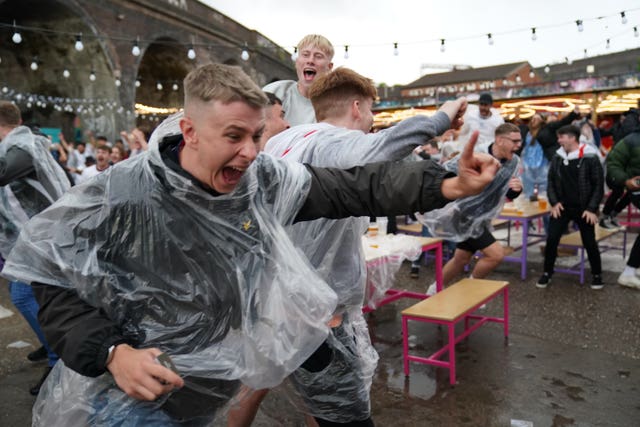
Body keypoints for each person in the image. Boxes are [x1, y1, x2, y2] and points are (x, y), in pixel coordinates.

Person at [2, 63, 499, 426]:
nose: (250, 152)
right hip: (130, 394)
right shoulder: (118, 194)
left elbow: (349, 186)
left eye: (258, 135)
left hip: (206, 386)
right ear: (190, 131)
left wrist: (441, 185)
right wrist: (111, 352)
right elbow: (50, 275)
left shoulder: (259, 179)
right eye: (234, 135)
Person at [258, 67, 469, 426]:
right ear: (356, 107)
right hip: (320, 315)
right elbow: (381, 147)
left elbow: (382, 174)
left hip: (290, 305)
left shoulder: (286, 141)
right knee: (347, 418)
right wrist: (442, 116)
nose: (371, 120)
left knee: (321, 405)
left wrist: (448, 172)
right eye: (370, 111)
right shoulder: (332, 142)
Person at [0, 101, 70, 395]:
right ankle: (52, 342)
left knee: (23, 294)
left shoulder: (22, 147)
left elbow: (2, 172)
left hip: (42, 239)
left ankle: (59, 359)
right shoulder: (22, 144)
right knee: (36, 296)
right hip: (36, 238)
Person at [423, 123, 523, 294]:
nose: (518, 145)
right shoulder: (477, 154)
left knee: (461, 258)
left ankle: (434, 289)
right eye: (514, 141)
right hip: (463, 213)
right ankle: (471, 289)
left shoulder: (514, 162)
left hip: (481, 217)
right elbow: (447, 172)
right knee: (496, 255)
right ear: (499, 140)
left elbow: (506, 192)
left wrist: (516, 190)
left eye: (520, 141)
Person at [536, 125, 604, 290]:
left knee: (589, 242)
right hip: (562, 207)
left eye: (561, 137)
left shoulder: (590, 157)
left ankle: (597, 275)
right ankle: (547, 272)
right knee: (552, 239)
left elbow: (598, 185)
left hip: (584, 208)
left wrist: (591, 208)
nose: (558, 140)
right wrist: (554, 202)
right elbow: (550, 181)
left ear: (572, 138)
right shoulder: (557, 157)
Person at [263, 34, 334, 126]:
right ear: (297, 62)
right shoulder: (275, 92)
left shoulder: (336, 106)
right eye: (305, 55)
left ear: (329, 67)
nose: (310, 61)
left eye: (318, 56)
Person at [605, 126, 640, 289]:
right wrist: (626, 181)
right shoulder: (631, 140)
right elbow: (613, 163)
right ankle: (629, 271)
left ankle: (631, 270)